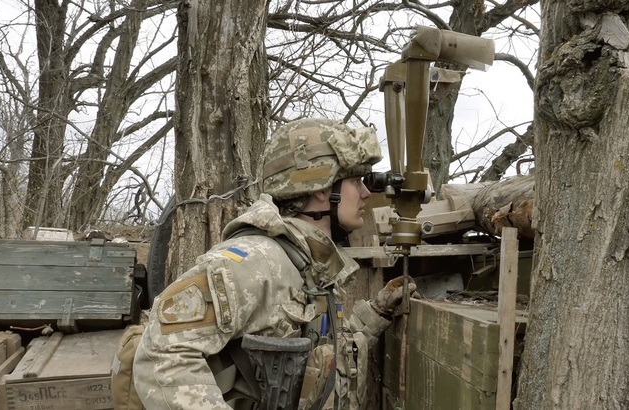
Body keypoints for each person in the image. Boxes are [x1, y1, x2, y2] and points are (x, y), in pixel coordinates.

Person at [132, 118, 416, 409]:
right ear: (321, 188)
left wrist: (376, 313)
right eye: (356, 181)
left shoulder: (306, 266)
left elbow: (319, 355)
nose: (367, 193)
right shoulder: (254, 261)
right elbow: (163, 353)